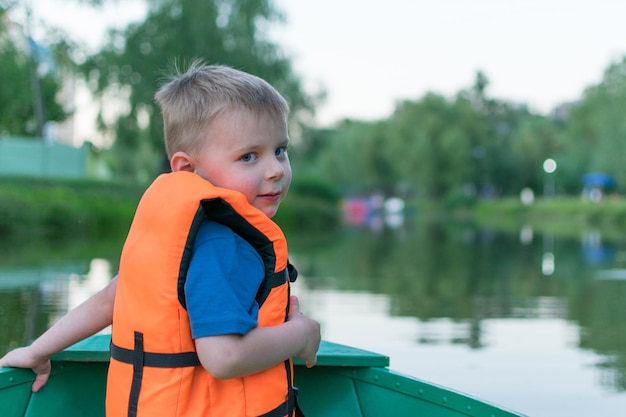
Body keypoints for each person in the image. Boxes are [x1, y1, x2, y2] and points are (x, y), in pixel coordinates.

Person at [0, 62, 321, 417]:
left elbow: (111, 298)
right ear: (187, 170)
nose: (275, 169)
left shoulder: (182, 239)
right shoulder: (224, 245)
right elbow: (224, 357)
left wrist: (38, 350)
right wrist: (302, 335)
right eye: (249, 156)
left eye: (280, 149)